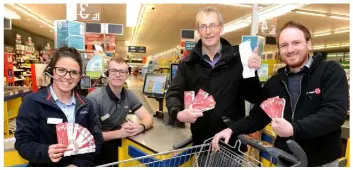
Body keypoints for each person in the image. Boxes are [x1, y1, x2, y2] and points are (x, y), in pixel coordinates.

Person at [212, 21, 348, 167]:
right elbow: (258, 117)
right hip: (285, 159)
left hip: (322, 162)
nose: (290, 49)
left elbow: (334, 113)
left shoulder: (330, 71)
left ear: (309, 44)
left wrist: (294, 129)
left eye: (296, 43)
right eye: (284, 45)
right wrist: (231, 129)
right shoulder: (275, 82)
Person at [165, 6, 263, 161]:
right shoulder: (188, 64)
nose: (208, 31)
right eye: (203, 26)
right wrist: (178, 113)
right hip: (203, 145)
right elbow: (173, 93)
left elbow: (254, 96)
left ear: (221, 28)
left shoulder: (238, 59)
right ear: (198, 31)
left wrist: (251, 73)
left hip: (231, 146)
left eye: (212, 25)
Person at [15, 47, 104, 167]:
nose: (67, 77)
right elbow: (22, 143)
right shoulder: (32, 102)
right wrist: (45, 152)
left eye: (74, 72)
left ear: (79, 77)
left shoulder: (87, 105)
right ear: (52, 71)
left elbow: (96, 141)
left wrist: (77, 165)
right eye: (61, 70)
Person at [87, 56, 153, 165]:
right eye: (114, 71)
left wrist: (139, 127)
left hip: (118, 146)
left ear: (127, 75)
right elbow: (90, 136)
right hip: (97, 150)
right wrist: (121, 133)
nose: (118, 75)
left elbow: (147, 118)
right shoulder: (94, 99)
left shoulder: (128, 95)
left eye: (122, 71)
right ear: (108, 73)